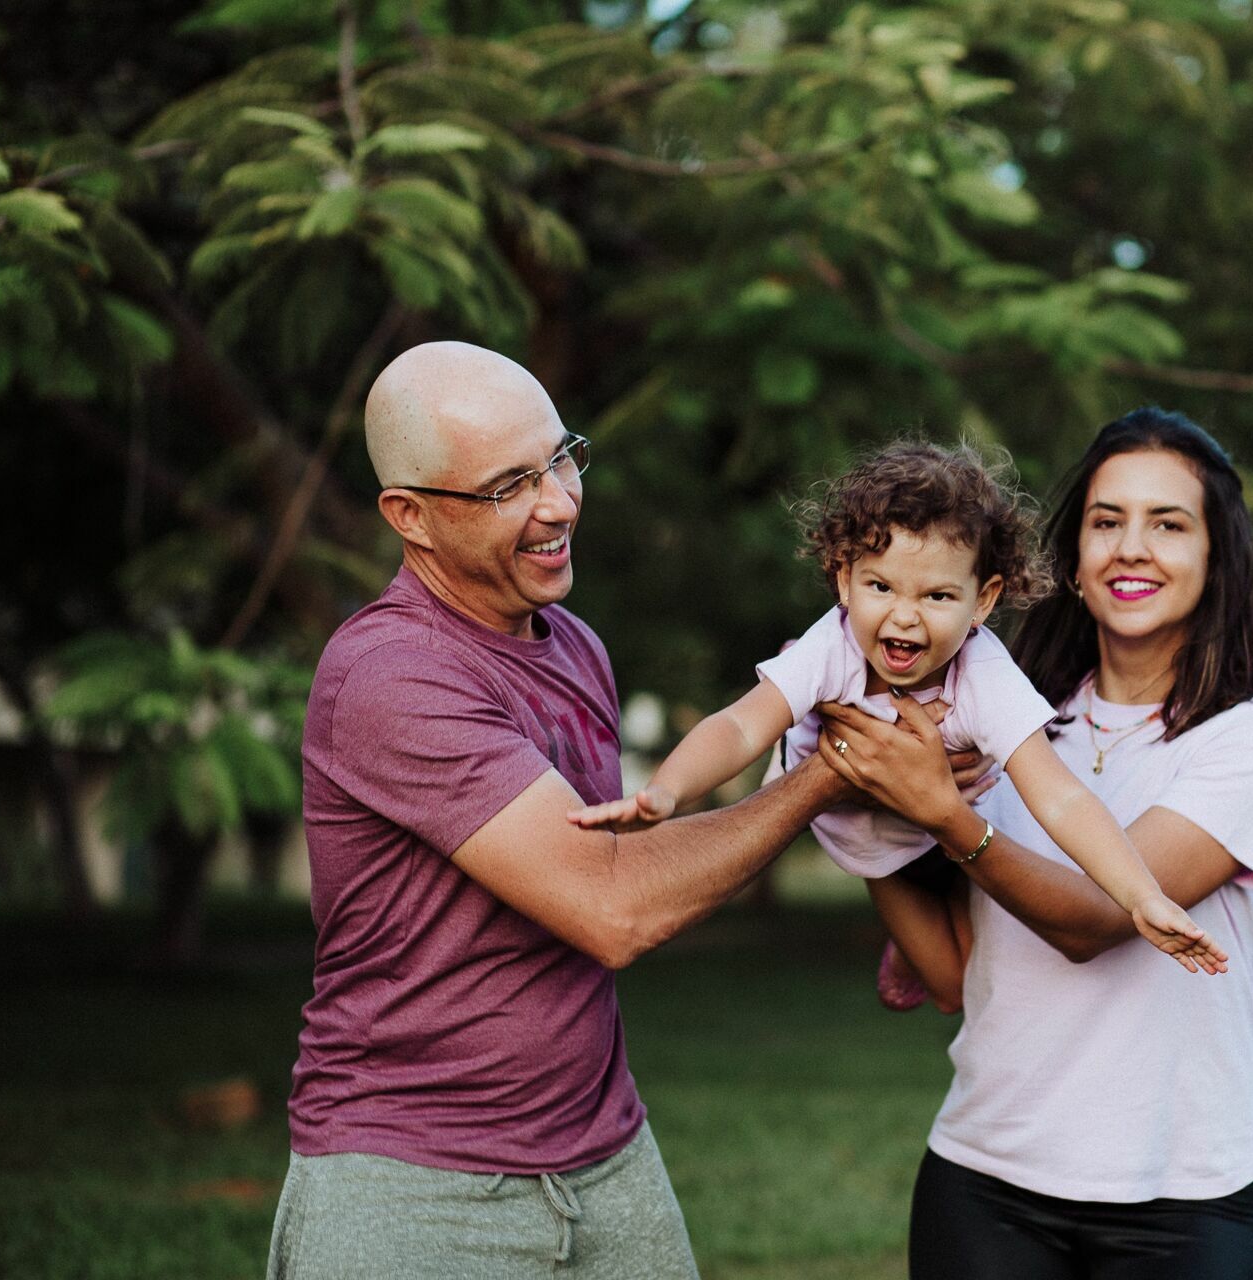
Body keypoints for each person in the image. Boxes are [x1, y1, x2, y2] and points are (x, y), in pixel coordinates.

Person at [268, 341, 870, 1280]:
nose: (558, 502)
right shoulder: (392, 675)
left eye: (561, 458)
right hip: (414, 1182)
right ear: (411, 517)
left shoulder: (573, 642)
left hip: (604, 1155)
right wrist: (831, 773)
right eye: (510, 484)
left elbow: (613, 860)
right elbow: (613, 908)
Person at [819, 408, 1253, 1279]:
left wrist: (943, 814)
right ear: (1073, 559)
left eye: (1168, 524)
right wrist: (863, 817)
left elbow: (1091, 921)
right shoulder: (1004, 725)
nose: (1132, 548)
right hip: (985, 1182)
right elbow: (950, 976)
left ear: (1216, 559)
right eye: (1106, 521)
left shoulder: (1250, 742)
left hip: (1178, 1205)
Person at [569, 441, 1228, 982]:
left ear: (983, 601)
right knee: (925, 951)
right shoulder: (831, 640)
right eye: (880, 586)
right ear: (843, 578)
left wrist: (1141, 894)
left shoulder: (986, 675)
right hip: (839, 815)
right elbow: (742, 722)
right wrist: (666, 789)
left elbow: (1060, 799)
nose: (905, 615)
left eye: (938, 595)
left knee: (946, 985)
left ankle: (917, 947)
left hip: (927, 837)